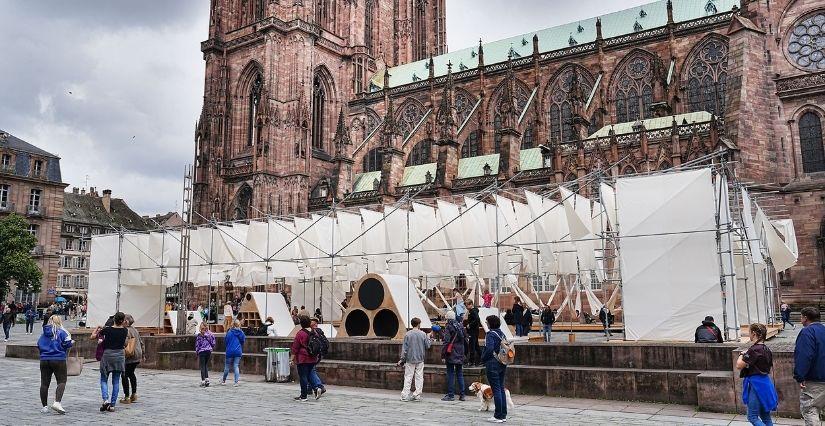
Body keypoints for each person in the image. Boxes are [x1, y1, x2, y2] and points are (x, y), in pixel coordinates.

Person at [737, 323, 778, 426]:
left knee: (752, 416)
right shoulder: (766, 349)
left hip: (756, 385)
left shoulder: (753, 350)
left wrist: (742, 354)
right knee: (765, 416)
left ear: (754, 333)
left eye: (749, 332)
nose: (748, 334)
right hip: (765, 383)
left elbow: (739, 365)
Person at [794, 307, 825, 425]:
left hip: (815, 380)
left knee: (810, 409)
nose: (800, 319)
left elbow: (804, 355)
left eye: (801, 317)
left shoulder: (807, 332)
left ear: (805, 318)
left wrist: (800, 376)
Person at [91, 312, 128, 412]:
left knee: (104, 379)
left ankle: (105, 399)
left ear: (114, 319)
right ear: (123, 320)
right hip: (119, 355)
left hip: (107, 355)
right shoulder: (125, 330)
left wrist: (98, 327)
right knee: (116, 381)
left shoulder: (107, 330)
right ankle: (112, 405)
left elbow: (93, 336)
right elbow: (126, 343)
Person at [37, 315, 73, 414]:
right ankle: (57, 402)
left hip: (44, 359)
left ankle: (44, 406)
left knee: (44, 383)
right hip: (58, 359)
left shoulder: (44, 333)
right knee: (62, 381)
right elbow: (68, 343)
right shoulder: (62, 331)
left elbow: (39, 344)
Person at [398, 317, 432, 402]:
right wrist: (428, 337)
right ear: (419, 324)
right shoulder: (423, 334)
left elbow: (404, 349)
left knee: (408, 377)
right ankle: (417, 394)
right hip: (420, 358)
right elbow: (428, 346)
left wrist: (402, 359)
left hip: (410, 358)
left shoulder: (408, 334)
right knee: (419, 377)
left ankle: (405, 395)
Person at [482, 314, 508, 423]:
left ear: (491, 323)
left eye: (487, 322)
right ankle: (503, 414)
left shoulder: (490, 335)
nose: (486, 323)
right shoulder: (501, 333)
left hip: (493, 363)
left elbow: (489, 349)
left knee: (496, 389)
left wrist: (483, 358)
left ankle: (498, 415)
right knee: (501, 388)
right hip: (502, 362)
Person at [290, 315, 318, 402]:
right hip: (313, 357)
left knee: (303, 376)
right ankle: (317, 388)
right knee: (309, 375)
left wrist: (292, 359)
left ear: (301, 323)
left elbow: (295, 347)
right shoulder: (314, 332)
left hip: (303, 358)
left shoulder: (300, 333)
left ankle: (303, 396)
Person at [441, 311, 467, 401]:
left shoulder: (449, 326)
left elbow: (446, 341)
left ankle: (451, 395)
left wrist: (443, 355)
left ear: (447, 318)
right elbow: (465, 338)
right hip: (460, 352)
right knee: (460, 373)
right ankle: (462, 395)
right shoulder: (460, 325)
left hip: (451, 352)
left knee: (451, 373)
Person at [120, 314, 144, 405]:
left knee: (124, 375)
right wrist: (143, 354)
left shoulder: (126, 330)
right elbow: (141, 342)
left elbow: (126, 343)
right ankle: (134, 394)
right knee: (131, 374)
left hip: (130, 355)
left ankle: (127, 396)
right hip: (138, 355)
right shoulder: (135, 329)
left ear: (125, 321)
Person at [221, 319, 246, 386]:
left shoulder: (229, 332)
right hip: (238, 351)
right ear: (239, 325)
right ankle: (236, 382)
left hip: (229, 351)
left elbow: (226, 341)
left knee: (227, 366)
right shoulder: (241, 333)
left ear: (233, 324)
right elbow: (243, 341)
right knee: (236, 366)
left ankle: (223, 380)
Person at [308, 317, 327, 399]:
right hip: (319, 354)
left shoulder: (314, 332)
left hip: (314, 354)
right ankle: (309, 388)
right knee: (310, 369)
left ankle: (320, 386)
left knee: (311, 370)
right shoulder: (320, 332)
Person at [195, 322, 216, 387]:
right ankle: (207, 379)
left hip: (202, 351)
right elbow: (213, 342)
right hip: (208, 351)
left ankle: (203, 381)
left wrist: (197, 351)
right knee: (205, 365)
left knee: (202, 366)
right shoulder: (210, 334)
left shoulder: (200, 335)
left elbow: (198, 345)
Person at [466, 300, 482, 366]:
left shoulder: (473, 311)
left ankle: (471, 361)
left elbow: (477, 319)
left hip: (473, 331)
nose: (466, 307)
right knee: (476, 346)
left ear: (471, 304)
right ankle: (482, 359)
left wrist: (470, 325)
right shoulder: (473, 311)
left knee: (472, 345)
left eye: (467, 305)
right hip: (474, 330)